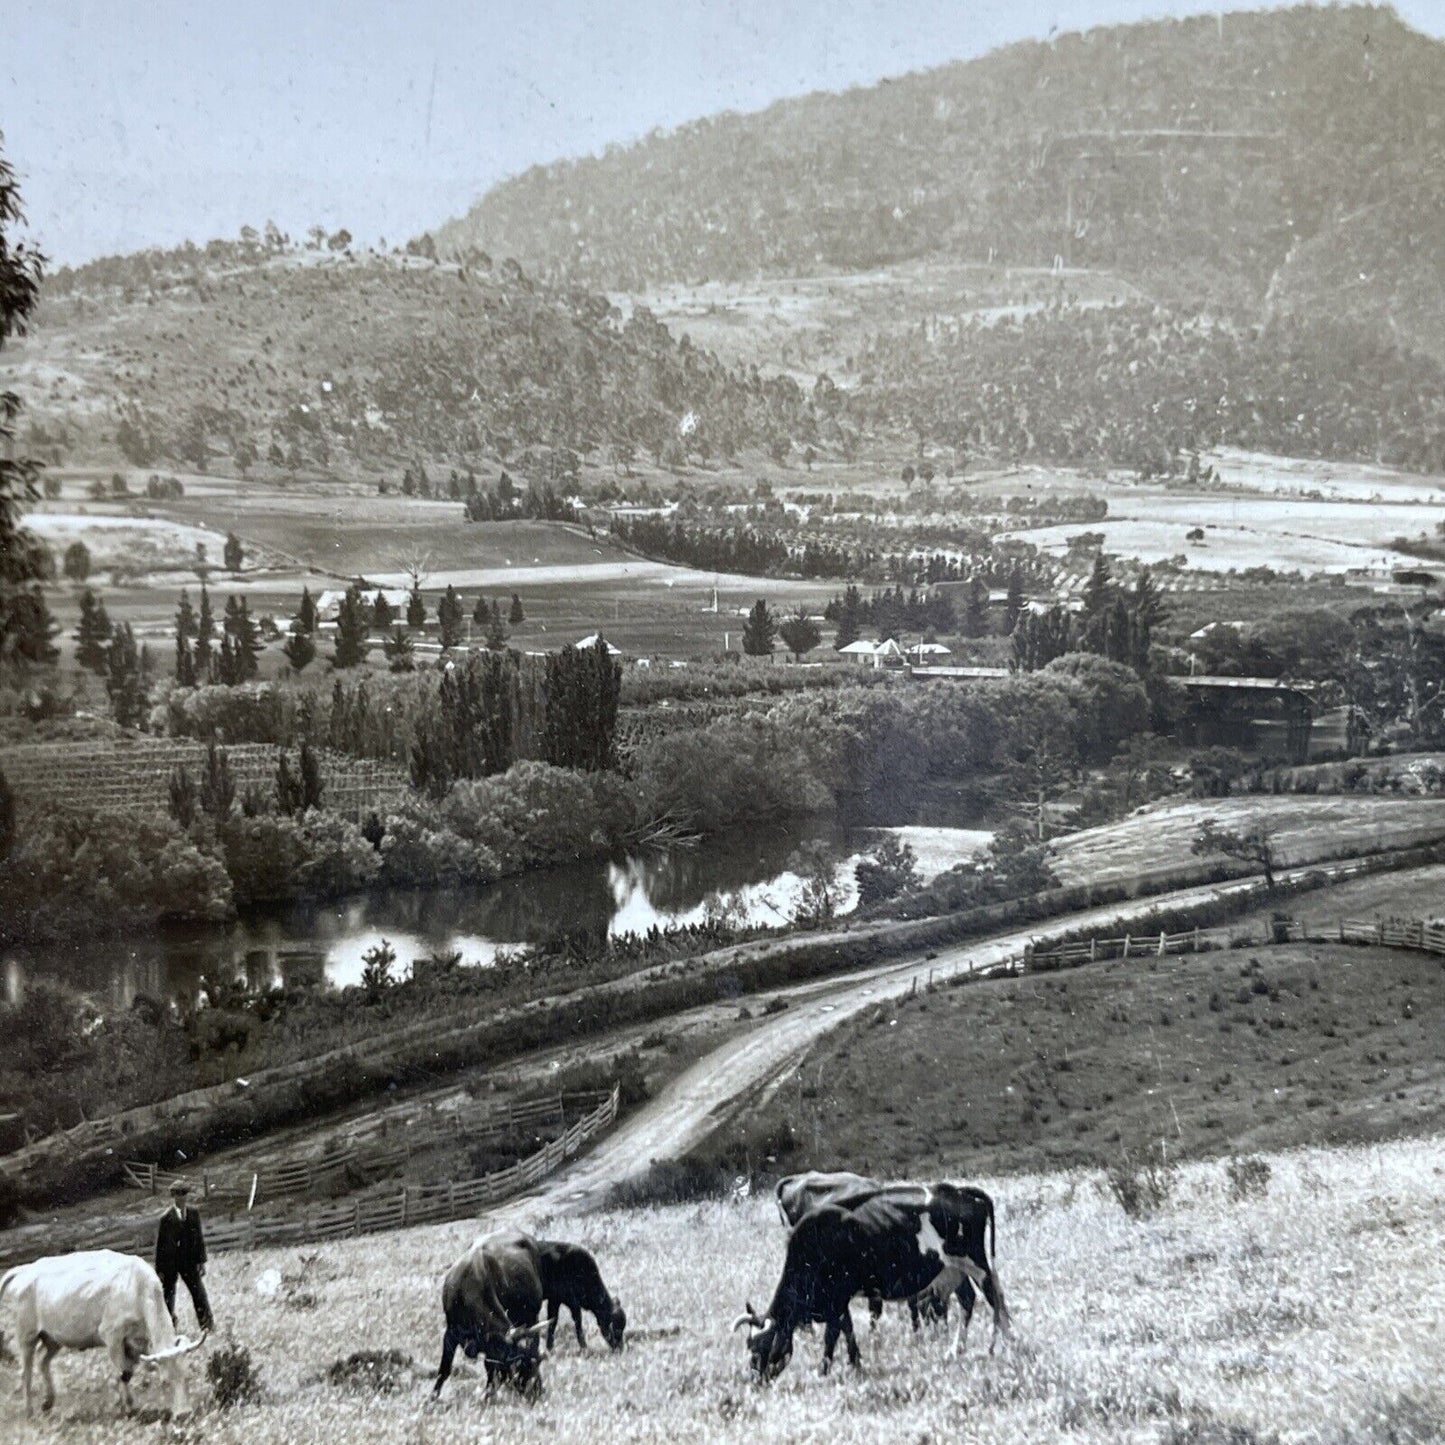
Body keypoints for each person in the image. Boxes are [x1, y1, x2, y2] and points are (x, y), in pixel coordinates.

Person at [155, 1180, 214, 1331]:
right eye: (178, 1194)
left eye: (184, 1194)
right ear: (173, 1196)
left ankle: (207, 1324)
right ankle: (167, 1328)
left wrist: (201, 1261)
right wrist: (159, 1270)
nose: (181, 1198)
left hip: (189, 1262)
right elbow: (160, 1246)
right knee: (168, 1296)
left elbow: (199, 1239)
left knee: (199, 1293)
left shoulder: (193, 1214)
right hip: (170, 1264)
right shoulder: (166, 1218)